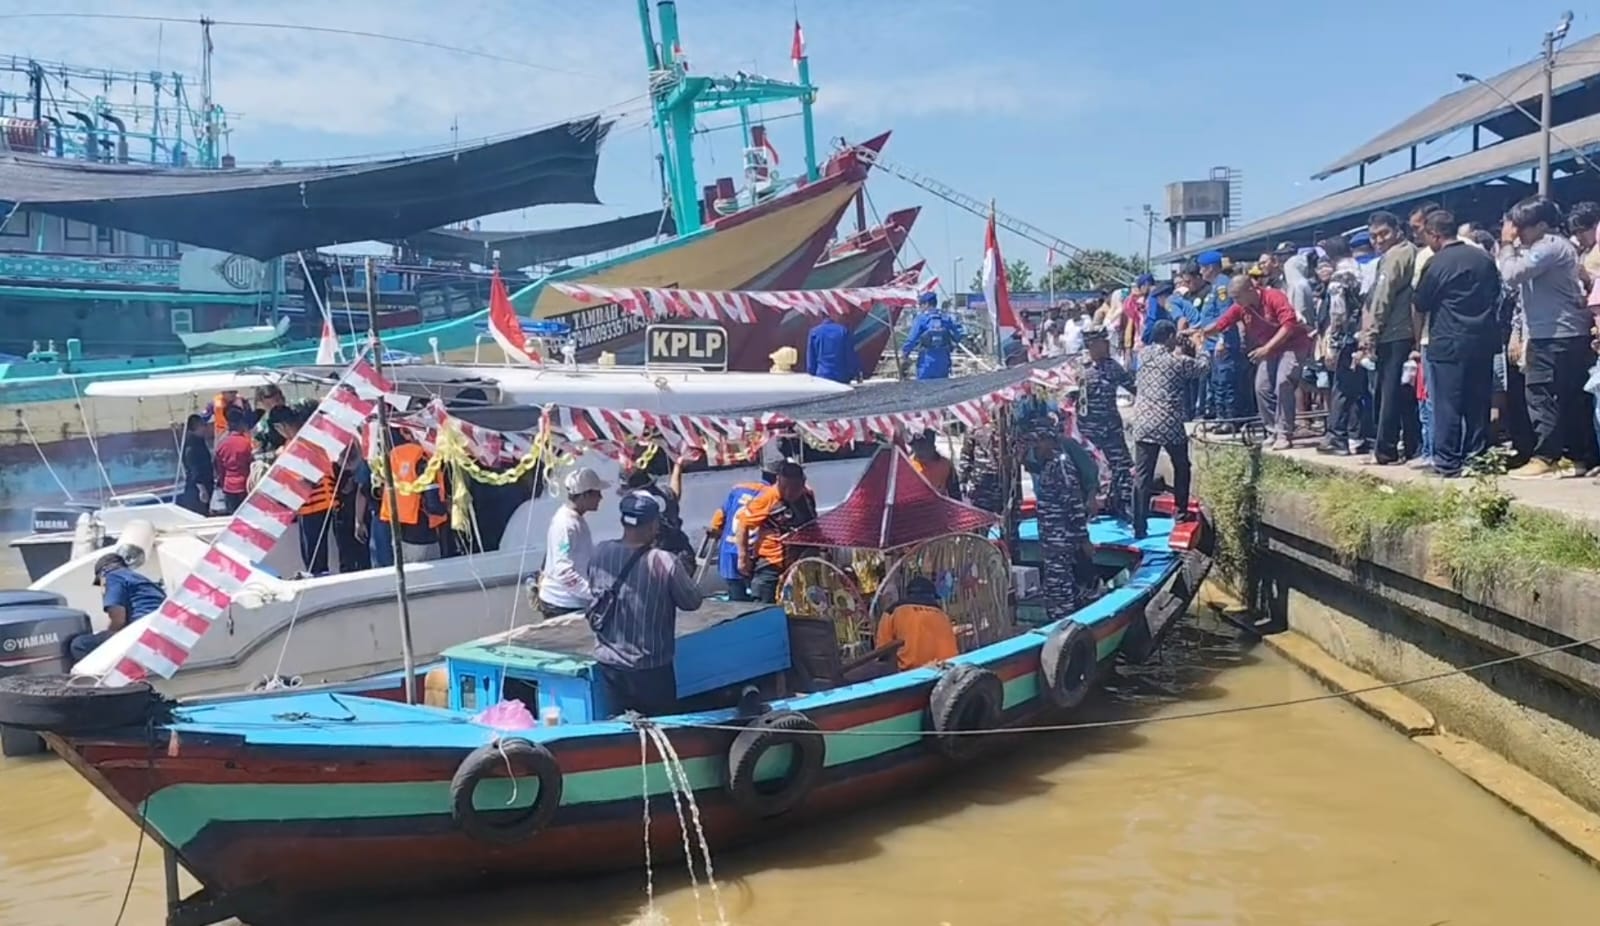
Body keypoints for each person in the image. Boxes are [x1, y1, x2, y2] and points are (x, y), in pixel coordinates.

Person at [1497, 196, 1598, 478]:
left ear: (1542, 225)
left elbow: (1511, 274)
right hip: (1554, 332)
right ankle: (1577, 456)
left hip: (1557, 334)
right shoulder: (1549, 247)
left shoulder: (1549, 247)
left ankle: (1547, 456)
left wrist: (1506, 244)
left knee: (1542, 394)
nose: (1517, 233)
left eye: (1522, 227)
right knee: (1567, 397)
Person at [586, 492, 704, 716]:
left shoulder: (600, 552)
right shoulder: (664, 561)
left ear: (623, 521)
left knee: (619, 731)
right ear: (653, 525)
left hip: (610, 664)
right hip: (650, 667)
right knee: (661, 729)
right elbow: (692, 602)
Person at [1413, 208, 1502, 478]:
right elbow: (1497, 293)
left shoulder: (1437, 263)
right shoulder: (1484, 259)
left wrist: (1417, 343)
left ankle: (1447, 462)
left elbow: (1421, 303)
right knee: (1478, 403)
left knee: (1447, 405)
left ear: (1434, 234)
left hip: (1448, 341)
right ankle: (1478, 459)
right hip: (1483, 340)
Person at [1192, 275, 1311, 449]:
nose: (1235, 301)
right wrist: (1202, 333)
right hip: (1268, 349)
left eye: (1237, 296)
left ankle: (1284, 432)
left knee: (1283, 382)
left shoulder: (1274, 296)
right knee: (1261, 387)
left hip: (1291, 345)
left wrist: (1268, 348)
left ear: (1250, 290)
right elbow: (1222, 323)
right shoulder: (1240, 307)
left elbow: (1289, 324)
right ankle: (1272, 430)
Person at [1133, 320, 1208, 537]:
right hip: (1169, 422)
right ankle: (1181, 513)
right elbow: (1203, 368)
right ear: (1168, 337)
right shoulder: (1176, 361)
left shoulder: (1143, 355)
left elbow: (1162, 349)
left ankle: (1139, 526)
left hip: (1144, 422)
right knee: (1182, 466)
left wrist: (1177, 339)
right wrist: (1199, 346)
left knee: (1142, 475)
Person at [1359, 210, 1421, 464]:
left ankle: (1385, 450)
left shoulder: (1397, 256)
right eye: (1374, 236)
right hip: (1403, 332)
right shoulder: (1409, 253)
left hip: (1394, 333)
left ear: (1397, 231)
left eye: (1384, 233)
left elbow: (1383, 297)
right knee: (1404, 394)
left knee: (1389, 394)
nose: (1379, 240)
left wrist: (1370, 333)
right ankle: (1411, 447)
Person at [1024, 418, 1091, 619]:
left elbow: (1075, 505)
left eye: (1039, 442)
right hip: (1051, 539)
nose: (1036, 447)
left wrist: (1084, 539)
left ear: (1051, 441)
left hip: (1061, 539)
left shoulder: (1061, 466)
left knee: (1058, 588)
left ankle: (1063, 626)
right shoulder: (1047, 466)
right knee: (1058, 585)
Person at [1317, 235, 1373, 456]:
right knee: (1357, 389)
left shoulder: (1339, 278)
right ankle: (1357, 436)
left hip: (1346, 340)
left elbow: (1338, 314)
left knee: (1340, 389)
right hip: (1362, 336)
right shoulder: (1362, 271)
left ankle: (1336, 437)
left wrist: (1331, 345)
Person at [1076, 325, 1135, 517]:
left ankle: (1122, 504)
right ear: (1092, 345)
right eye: (1103, 343)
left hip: (1110, 429)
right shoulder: (1079, 367)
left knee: (1122, 466)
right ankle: (1087, 507)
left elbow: (1133, 387)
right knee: (1086, 470)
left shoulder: (1112, 367)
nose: (1108, 346)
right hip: (1087, 431)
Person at [737, 460, 818, 603]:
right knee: (763, 608)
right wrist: (743, 557)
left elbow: (813, 523)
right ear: (778, 481)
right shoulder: (767, 498)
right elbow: (743, 524)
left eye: (794, 488)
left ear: (803, 482)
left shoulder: (807, 496)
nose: (789, 492)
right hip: (771, 564)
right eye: (784, 487)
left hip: (800, 565)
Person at [534, 467, 608, 617]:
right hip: (562, 604)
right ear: (585, 495)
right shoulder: (566, 525)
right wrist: (591, 593)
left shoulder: (575, 519)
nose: (601, 497)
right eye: (597, 493)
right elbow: (563, 571)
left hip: (573, 600)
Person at [67, 553, 168, 663]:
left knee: (80, 644)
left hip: (140, 632)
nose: (101, 585)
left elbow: (118, 619)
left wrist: (108, 635)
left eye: (99, 582)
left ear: (103, 571)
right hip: (160, 629)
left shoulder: (112, 577)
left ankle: (100, 677)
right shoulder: (140, 579)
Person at [371, 433, 449, 564]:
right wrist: (448, 508)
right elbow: (433, 505)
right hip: (424, 536)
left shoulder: (396, 456)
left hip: (401, 535)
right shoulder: (425, 461)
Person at [708, 455, 776, 601]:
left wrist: (715, 529)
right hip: (751, 552)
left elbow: (720, 514)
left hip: (728, 550)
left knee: (736, 599)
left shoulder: (739, 489)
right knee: (758, 598)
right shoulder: (772, 496)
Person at [621, 449, 697, 571]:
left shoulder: (644, 507)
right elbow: (674, 494)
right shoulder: (662, 496)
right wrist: (678, 467)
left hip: (671, 559)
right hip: (679, 555)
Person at [1195, 250, 1241, 424]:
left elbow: (1226, 316)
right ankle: (1221, 418)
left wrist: (1222, 339)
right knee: (1216, 383)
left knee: (1225, 382)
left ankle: (1229, 421)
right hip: (1211, 343)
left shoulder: (1222, 286)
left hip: (1222, 343)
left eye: (1202, 268)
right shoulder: (1214, 287)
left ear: (1211, 268)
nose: (1200, 272)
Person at [875, 575, 959, 670]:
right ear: (932, 596)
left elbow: (882, 652)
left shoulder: (892, 611)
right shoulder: (942, 615)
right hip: (947, 670)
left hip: (910, 673)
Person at [901, 292, 965, 380]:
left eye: (921, 305)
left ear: (926, 304)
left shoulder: (921, 319)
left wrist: (905, 354)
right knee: (941, 390)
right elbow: (959, 334)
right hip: (944, 360)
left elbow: (911, 340)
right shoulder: (946, 318)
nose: (920, 308)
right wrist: (953, 345)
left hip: (926, 360)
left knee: (924, 390)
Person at [212, 407, 254, 514]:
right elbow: (251, 464)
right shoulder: (246, 443)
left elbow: (219, 469)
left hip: (228, 487)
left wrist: (222, 483)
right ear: (241, 424)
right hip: (245, 486)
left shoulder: (221, 445)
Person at [805, 315, 861, 384]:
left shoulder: (814, 332)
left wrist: (812, 377)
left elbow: (811, 360)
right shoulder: (843, 331)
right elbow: (850, 356)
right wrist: (856, 373)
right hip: (841, 377)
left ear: (821, 317)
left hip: (822, 376)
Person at [177, 413, 214, 516]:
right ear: (197, 427)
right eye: (203, 426)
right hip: (196, 488)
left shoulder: (198, 441)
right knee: (199, 512)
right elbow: (194, 469)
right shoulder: (192, 446)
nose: (205, 428)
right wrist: (202, 489)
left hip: (205, 483)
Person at [909, 429, 961, 498]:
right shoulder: (909, 466)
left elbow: (955, 496)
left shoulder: (945, 465)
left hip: (939, 506)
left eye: (922, 446)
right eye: (915, 445)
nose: (919, 450)